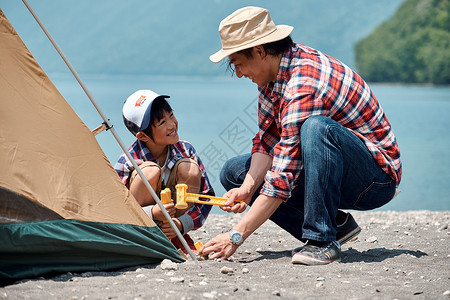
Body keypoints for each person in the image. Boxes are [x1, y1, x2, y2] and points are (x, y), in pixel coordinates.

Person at [199, 6, 402, 265]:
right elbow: (268, 141)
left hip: (374, 180)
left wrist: (236, 235)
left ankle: (322, 240)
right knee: (235, 172)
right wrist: (247, 189)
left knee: (317, 128)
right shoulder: (272, 78)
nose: (238, 73)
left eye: (238, 63)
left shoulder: (304, 84)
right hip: (332, 170)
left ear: (260, 51)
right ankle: (337, 227)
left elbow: (283, 177)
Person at [115, 89, 214, 253]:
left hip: (176, 226)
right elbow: (116, 209)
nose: (172, 124)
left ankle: (175, 237)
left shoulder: (186, 150)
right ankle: (147, 238)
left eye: (171, 115)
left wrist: (182, 224)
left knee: (189, 168)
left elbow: (206, 197)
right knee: (149, 172)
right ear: (142, 136)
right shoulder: (127, 161)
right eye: (162, 122)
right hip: (141, 227)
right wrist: (152, 213)